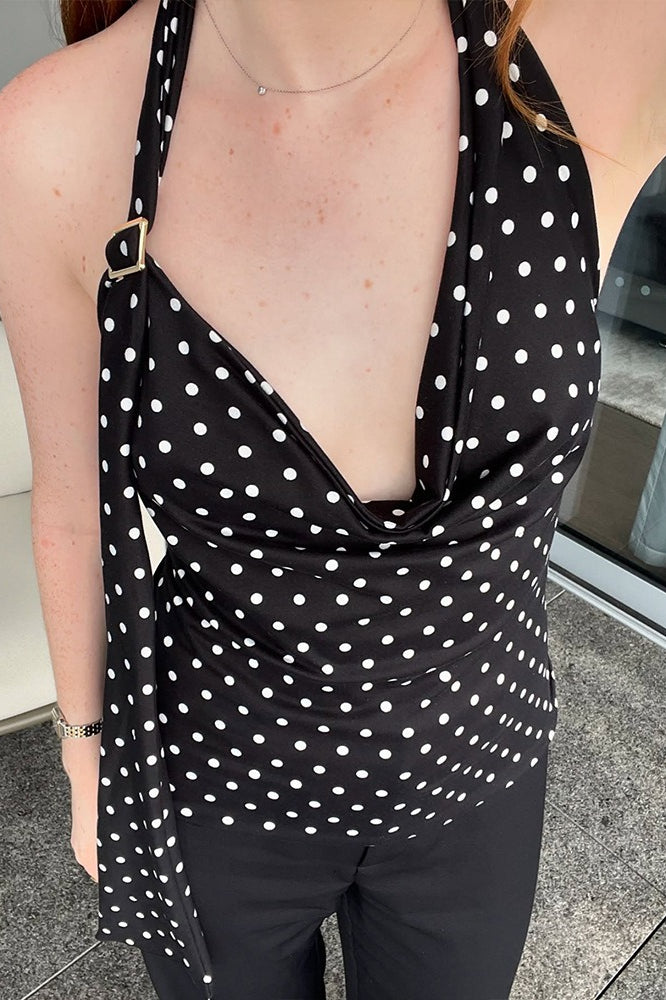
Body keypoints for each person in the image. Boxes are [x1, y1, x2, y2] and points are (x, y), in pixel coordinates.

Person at [0, 1, 663, 997]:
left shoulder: (609, 40)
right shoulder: (53, 132)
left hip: (478, 767)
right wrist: (87, 761)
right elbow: (73, 510)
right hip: (213, 782)